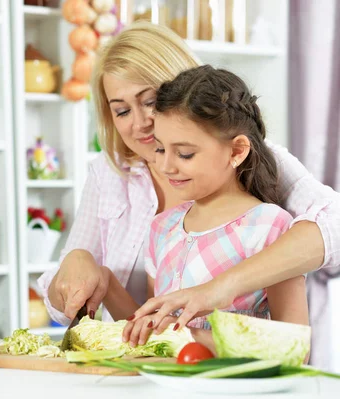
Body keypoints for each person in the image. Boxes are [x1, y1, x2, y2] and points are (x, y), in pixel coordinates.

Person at [37, 21, 340, 332]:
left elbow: (335, 225)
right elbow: (147, 328)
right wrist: (79, 262)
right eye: (122, 111)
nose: (140, 123)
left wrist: (220, 288)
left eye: (150, 102)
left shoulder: (257, 169)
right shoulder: (117, 178)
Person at [112, 65, 309, 349]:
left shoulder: (269, 226)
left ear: (237, 151)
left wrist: (192, 339)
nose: (166, 165)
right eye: (160, 149)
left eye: (185, 153)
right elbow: (148, 330)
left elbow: (294, 348)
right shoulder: (162, 227)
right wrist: (106, 284)